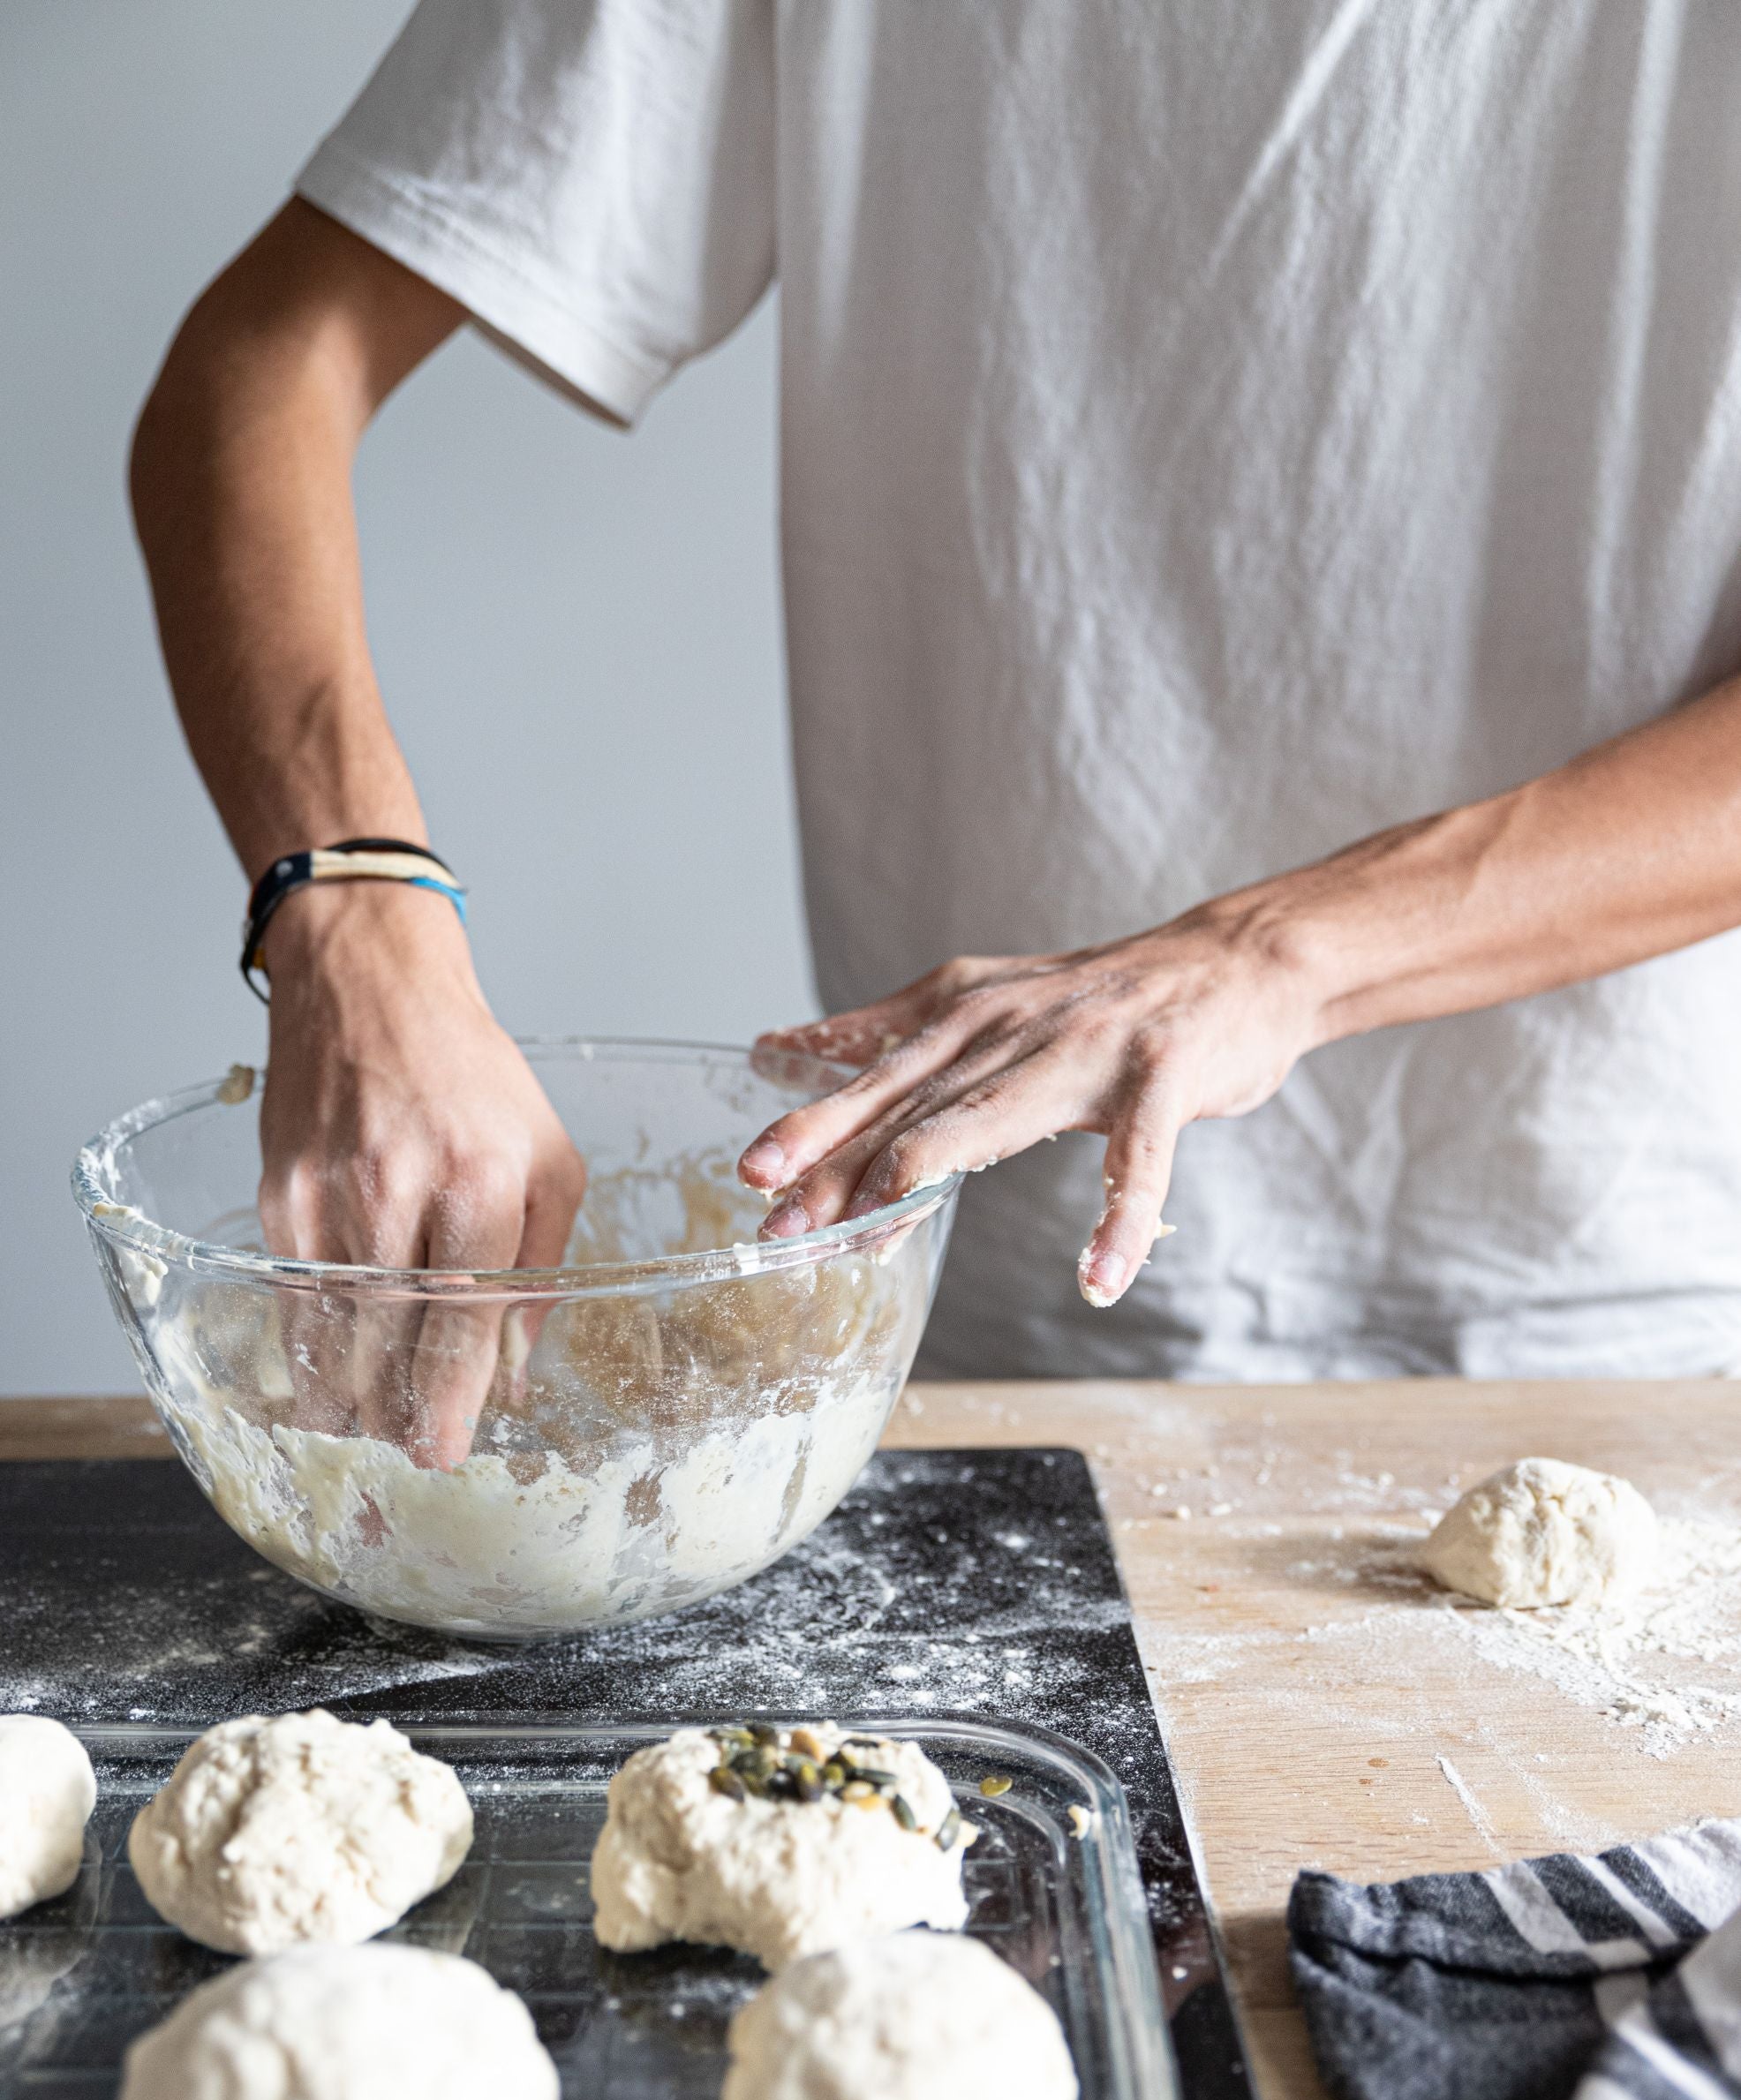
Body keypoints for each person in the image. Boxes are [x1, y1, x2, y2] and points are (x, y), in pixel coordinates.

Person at [132, 2, 1741, 1433]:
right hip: (988, 1309)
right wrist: (347, 912)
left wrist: (1274, 958)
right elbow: (264, 369)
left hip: (1635, 1317)